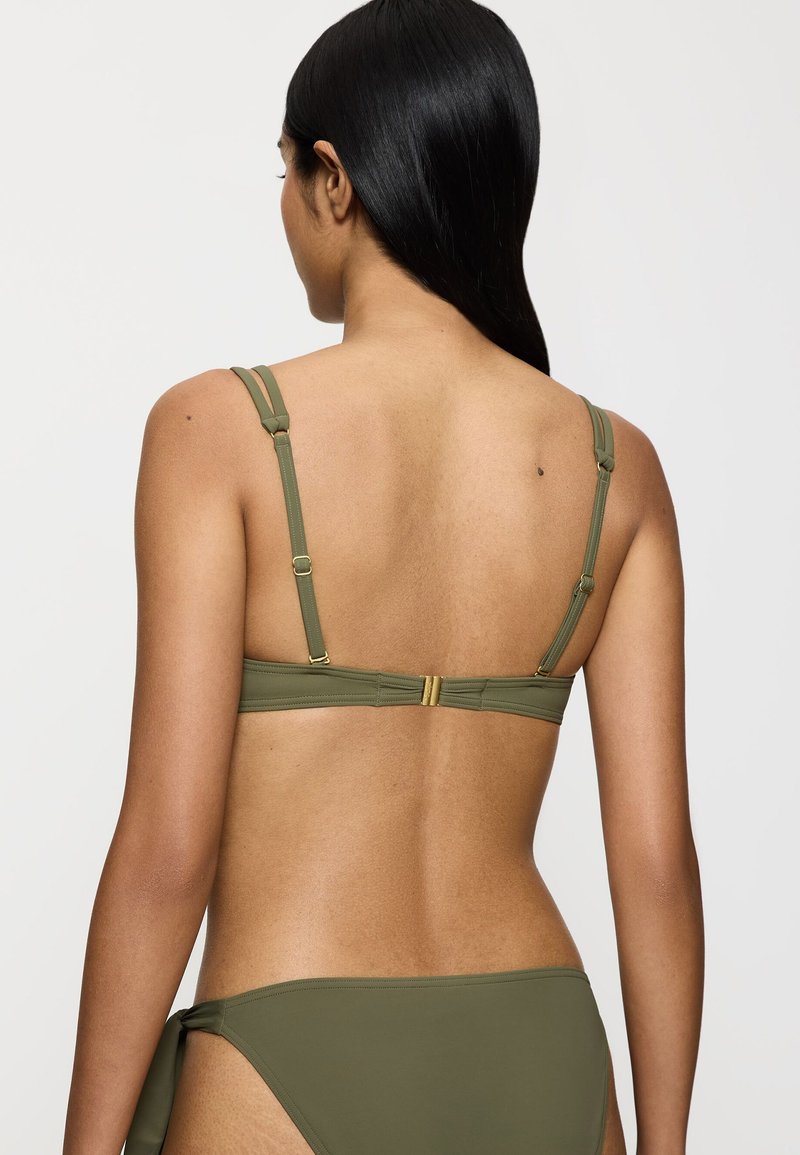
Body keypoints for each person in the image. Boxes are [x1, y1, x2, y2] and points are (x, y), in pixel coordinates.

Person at [62, 1, 704, 1152]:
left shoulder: (219, 430)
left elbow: (166, 850)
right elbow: (654, 865)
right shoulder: (618, 469)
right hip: (540, 1049)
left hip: (283, 1045)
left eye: (284, 171)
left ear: (334, 179)